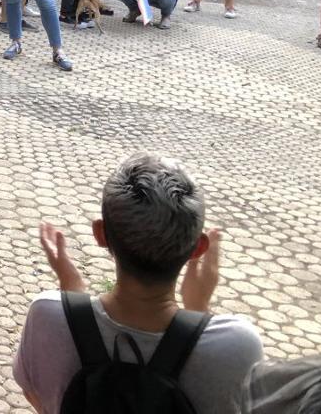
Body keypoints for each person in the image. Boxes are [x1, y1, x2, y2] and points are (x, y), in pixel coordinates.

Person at [14, 154, 263, 413]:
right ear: (198, 248)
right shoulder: (238, 345)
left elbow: (40, 401)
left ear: (100, 234)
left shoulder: (46, 314)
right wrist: (198, 310)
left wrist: (71, 290)